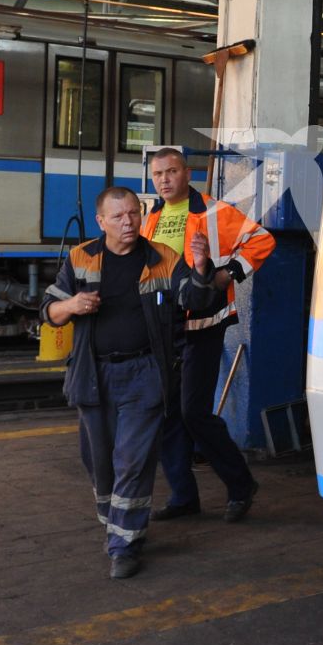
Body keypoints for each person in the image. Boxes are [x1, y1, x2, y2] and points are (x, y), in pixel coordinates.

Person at [44, 185, 217, 579]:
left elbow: (196, 298)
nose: (128, 222)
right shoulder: (81, 258)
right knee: (99, 462)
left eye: (134, 214)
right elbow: (49, 311)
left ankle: (125, 544)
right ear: (101, 221)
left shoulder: (162, 258)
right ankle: (115, 521)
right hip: (94, 375)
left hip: (144, 376)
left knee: (133, 461)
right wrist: (72, 305)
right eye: (118, 216)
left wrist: (203, 268)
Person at [142, 146, 275, 523]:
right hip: (164, 327)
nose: (164, 180)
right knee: (169, 412)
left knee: (193, 412)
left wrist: (227, 273)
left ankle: (240, 484)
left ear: (187, 174)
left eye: (171, 172)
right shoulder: (149, 219)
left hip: (204, 324)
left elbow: (262, 239)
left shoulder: (214, 212)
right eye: (158, 175)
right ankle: (184, 497)